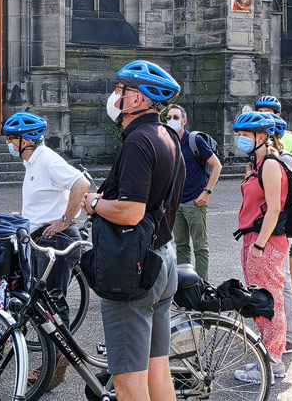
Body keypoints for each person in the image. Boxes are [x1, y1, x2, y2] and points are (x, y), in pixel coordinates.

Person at [81, 60, 183, 401]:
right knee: (158, 373)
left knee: (128, 385)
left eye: (119, 90)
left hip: (134, 270)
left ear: (137, 98)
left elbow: (130, 212)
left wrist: (95, 203)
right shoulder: (168, 136)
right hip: (162, 260)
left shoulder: (138, 142)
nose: (114, 96)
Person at [3, 111, 91, 390]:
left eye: (11, 138)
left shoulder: (47, 160)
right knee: (45, 304)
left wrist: (66, 219)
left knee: (53, 304)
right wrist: (27, 216)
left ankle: (57, 365)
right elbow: (46, 197)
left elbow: (81, 183)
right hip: (42, 239)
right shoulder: (32, 162)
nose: (7, 142)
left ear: (27, 140)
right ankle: (55, 361)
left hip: (56, 241)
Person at [232, 111, 289, 382]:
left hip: (264, 243)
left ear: (262, 136)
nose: (241, 139)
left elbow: (274, 209)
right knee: (260, 302)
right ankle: (266, 357)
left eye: (246, 135)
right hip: (252, 239)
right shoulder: (256, 164)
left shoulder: (270, 164)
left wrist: (259, 245)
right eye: (240, 135)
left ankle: (274, 362)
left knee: (271, 301)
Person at [254, 95, 292, 323]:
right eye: (260, 112)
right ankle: (286, 311)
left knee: (289, 258)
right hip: (274, 214)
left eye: (268, 112)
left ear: (278, 115)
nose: (263, 116)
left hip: (286, 213)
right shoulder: (262, 141)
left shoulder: (288, 141)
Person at [164, 105, 221, 281]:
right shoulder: (168, 142)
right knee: (181, 245)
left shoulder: (194, 141)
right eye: (168, 118)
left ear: (184, 121)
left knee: (200, 247)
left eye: (175, 117)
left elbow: (217, 165)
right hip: (175, 203)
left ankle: (202, 285)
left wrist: (207, 192)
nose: (171, 121)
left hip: (194, 202)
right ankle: (185, 285)